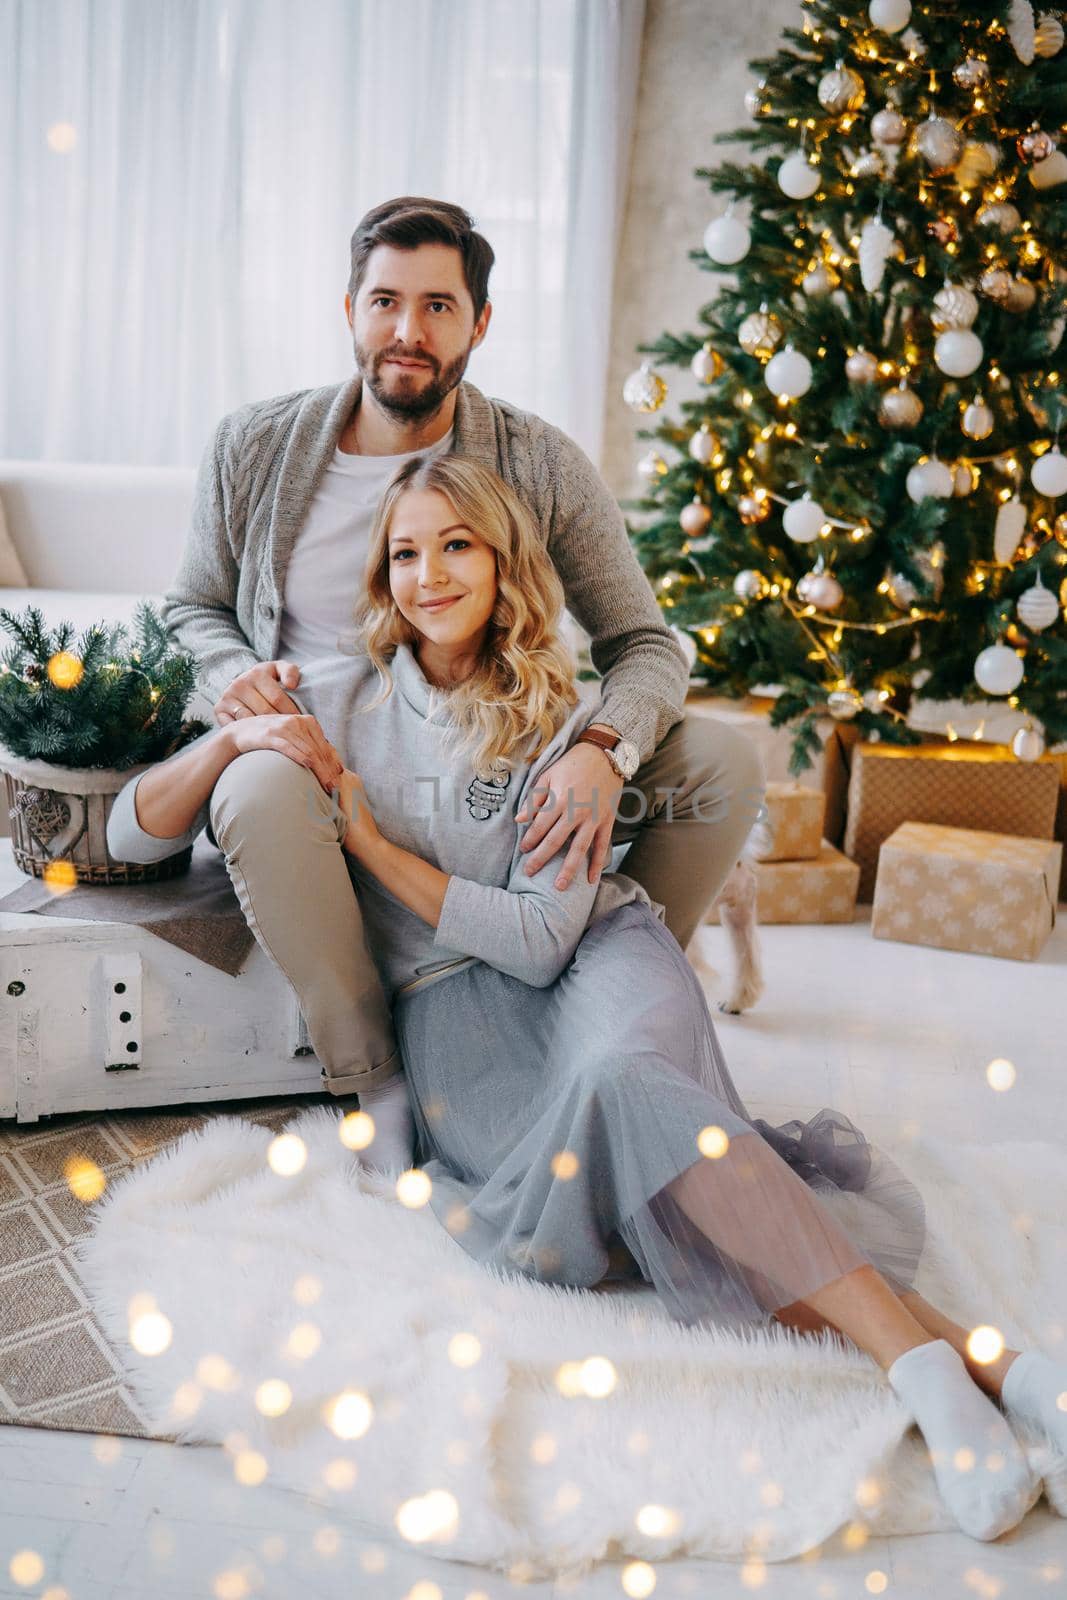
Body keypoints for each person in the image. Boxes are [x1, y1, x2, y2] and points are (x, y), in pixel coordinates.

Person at [112, 455, 1061, 1545]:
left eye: (456, 544)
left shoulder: (567, 721)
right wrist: (236, 738)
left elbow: (534, 940)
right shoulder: (333, 693)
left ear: (504, 559)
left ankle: (926, 1380)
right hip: (454, 1017)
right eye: (404, 551)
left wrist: (369, 843)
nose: (428, 573)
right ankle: (997, 1367)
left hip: (593, 961)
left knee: (627, 1083)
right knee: (644, 1190)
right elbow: (135, 830)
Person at [160, 195, 764, 1114]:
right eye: (385, 301)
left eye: (438, 306)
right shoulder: (252, 447)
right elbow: (193, 606)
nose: (408, 330)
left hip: (485, 791)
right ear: (350, 310)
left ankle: (609, 1001)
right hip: (323, 787)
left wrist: (604, 751)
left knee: (720, 759)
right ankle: (376, 1077)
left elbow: (644, 643)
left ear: (480, 322)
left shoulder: (542, 464)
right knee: (253, 785)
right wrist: (227, 677)